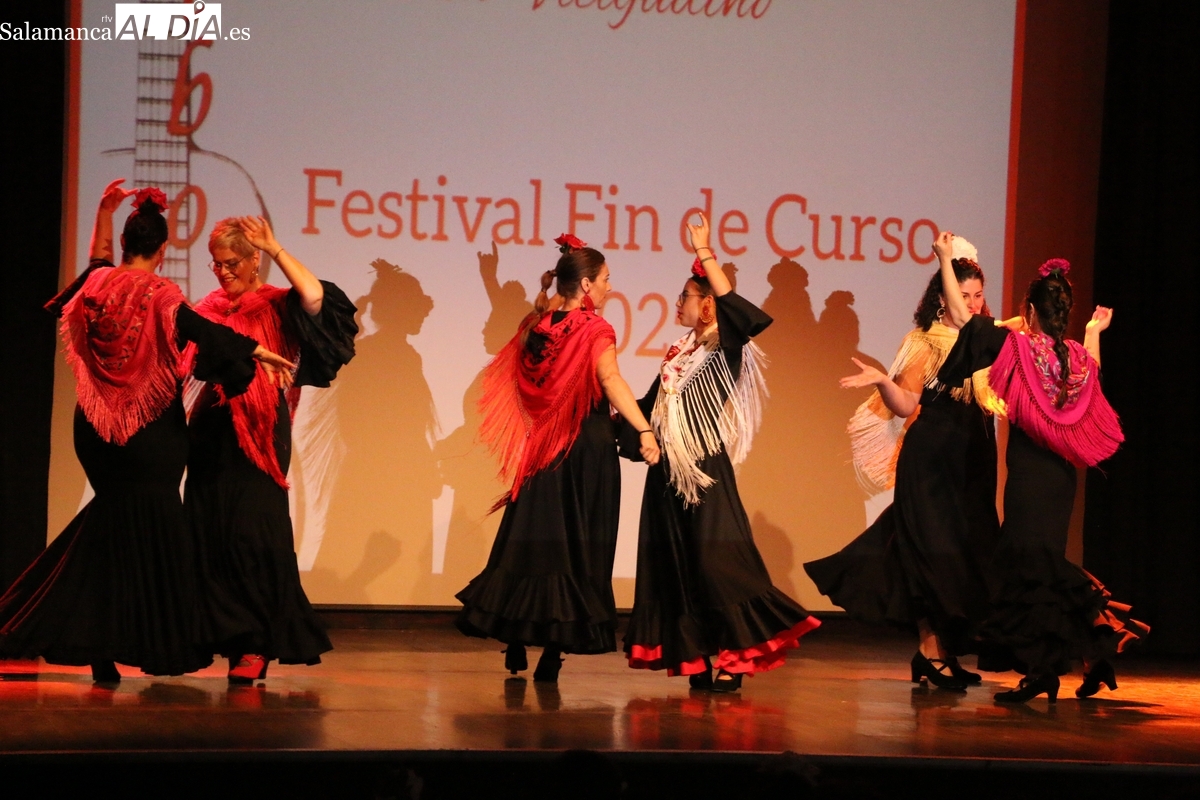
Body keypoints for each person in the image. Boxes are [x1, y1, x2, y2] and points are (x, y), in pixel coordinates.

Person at [0, 180, 291, 682]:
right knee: (157, 536)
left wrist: (104, 212)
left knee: (111, 528)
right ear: (162, 250)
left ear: (126, 243)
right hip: (150, 433)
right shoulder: (162, 293)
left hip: (95, 428)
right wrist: (255, 350)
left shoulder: (97, 282)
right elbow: (202, 331)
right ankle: (161, 643)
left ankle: (97, 644)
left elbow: (97, 261)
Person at [804, 231, 1011, 690]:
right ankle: (931, 653)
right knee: (932, 556)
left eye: (978, 295)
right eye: (964, 295)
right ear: (943, 297)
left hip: (973, 460)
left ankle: (941, 652)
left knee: (967, 554)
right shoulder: (924, 342)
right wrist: (883, 380)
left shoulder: (987, 340)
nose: (973, 303)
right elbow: (905, 405)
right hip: (932, 460)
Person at [623, 213, 819, 693]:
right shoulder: (679, 353)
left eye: (685, 297)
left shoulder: (725, 347)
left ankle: (736, 655)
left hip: (703, 467)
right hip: (667, 472)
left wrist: (705, 252)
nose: (677, 304)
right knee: (676, 563)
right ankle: (695, 659)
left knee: (717, 562)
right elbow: (649, 407)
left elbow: (741, 312)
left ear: (708, 305)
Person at [456, 235, 660, 683]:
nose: (610, 287)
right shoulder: (595, 329)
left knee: (532, 542)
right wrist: (643, 429)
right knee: (577, 547)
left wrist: (522, 282)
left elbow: (547, 314)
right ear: (586, 284)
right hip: (584, 449)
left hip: (542, 450)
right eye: (605, 279)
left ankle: (515, 636)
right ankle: (553, 649)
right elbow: (610, 379)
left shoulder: (537, 325)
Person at [185, 215, 357, 683]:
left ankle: (256, 642)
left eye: (232, 263)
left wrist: (276, 247)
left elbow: (315, 297)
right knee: (209, 527)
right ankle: (225, 635)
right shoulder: (208, 308)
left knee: (253, 533)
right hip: (211, 425)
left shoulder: (278, 304)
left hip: (261, 427)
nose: (223, 272)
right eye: (216, 264)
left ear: (253, 260)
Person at [981, 259, 1147, 703]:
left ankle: (1047, 669)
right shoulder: (1075, 355)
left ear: (1031, 309)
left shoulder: (1020, 348)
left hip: (1030, 474)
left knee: (1033, 567)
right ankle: (1094, 651)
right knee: (1045, 565)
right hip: (1060, 477)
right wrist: (1093, 332)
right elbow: (1093, 376)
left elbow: (974, 327)